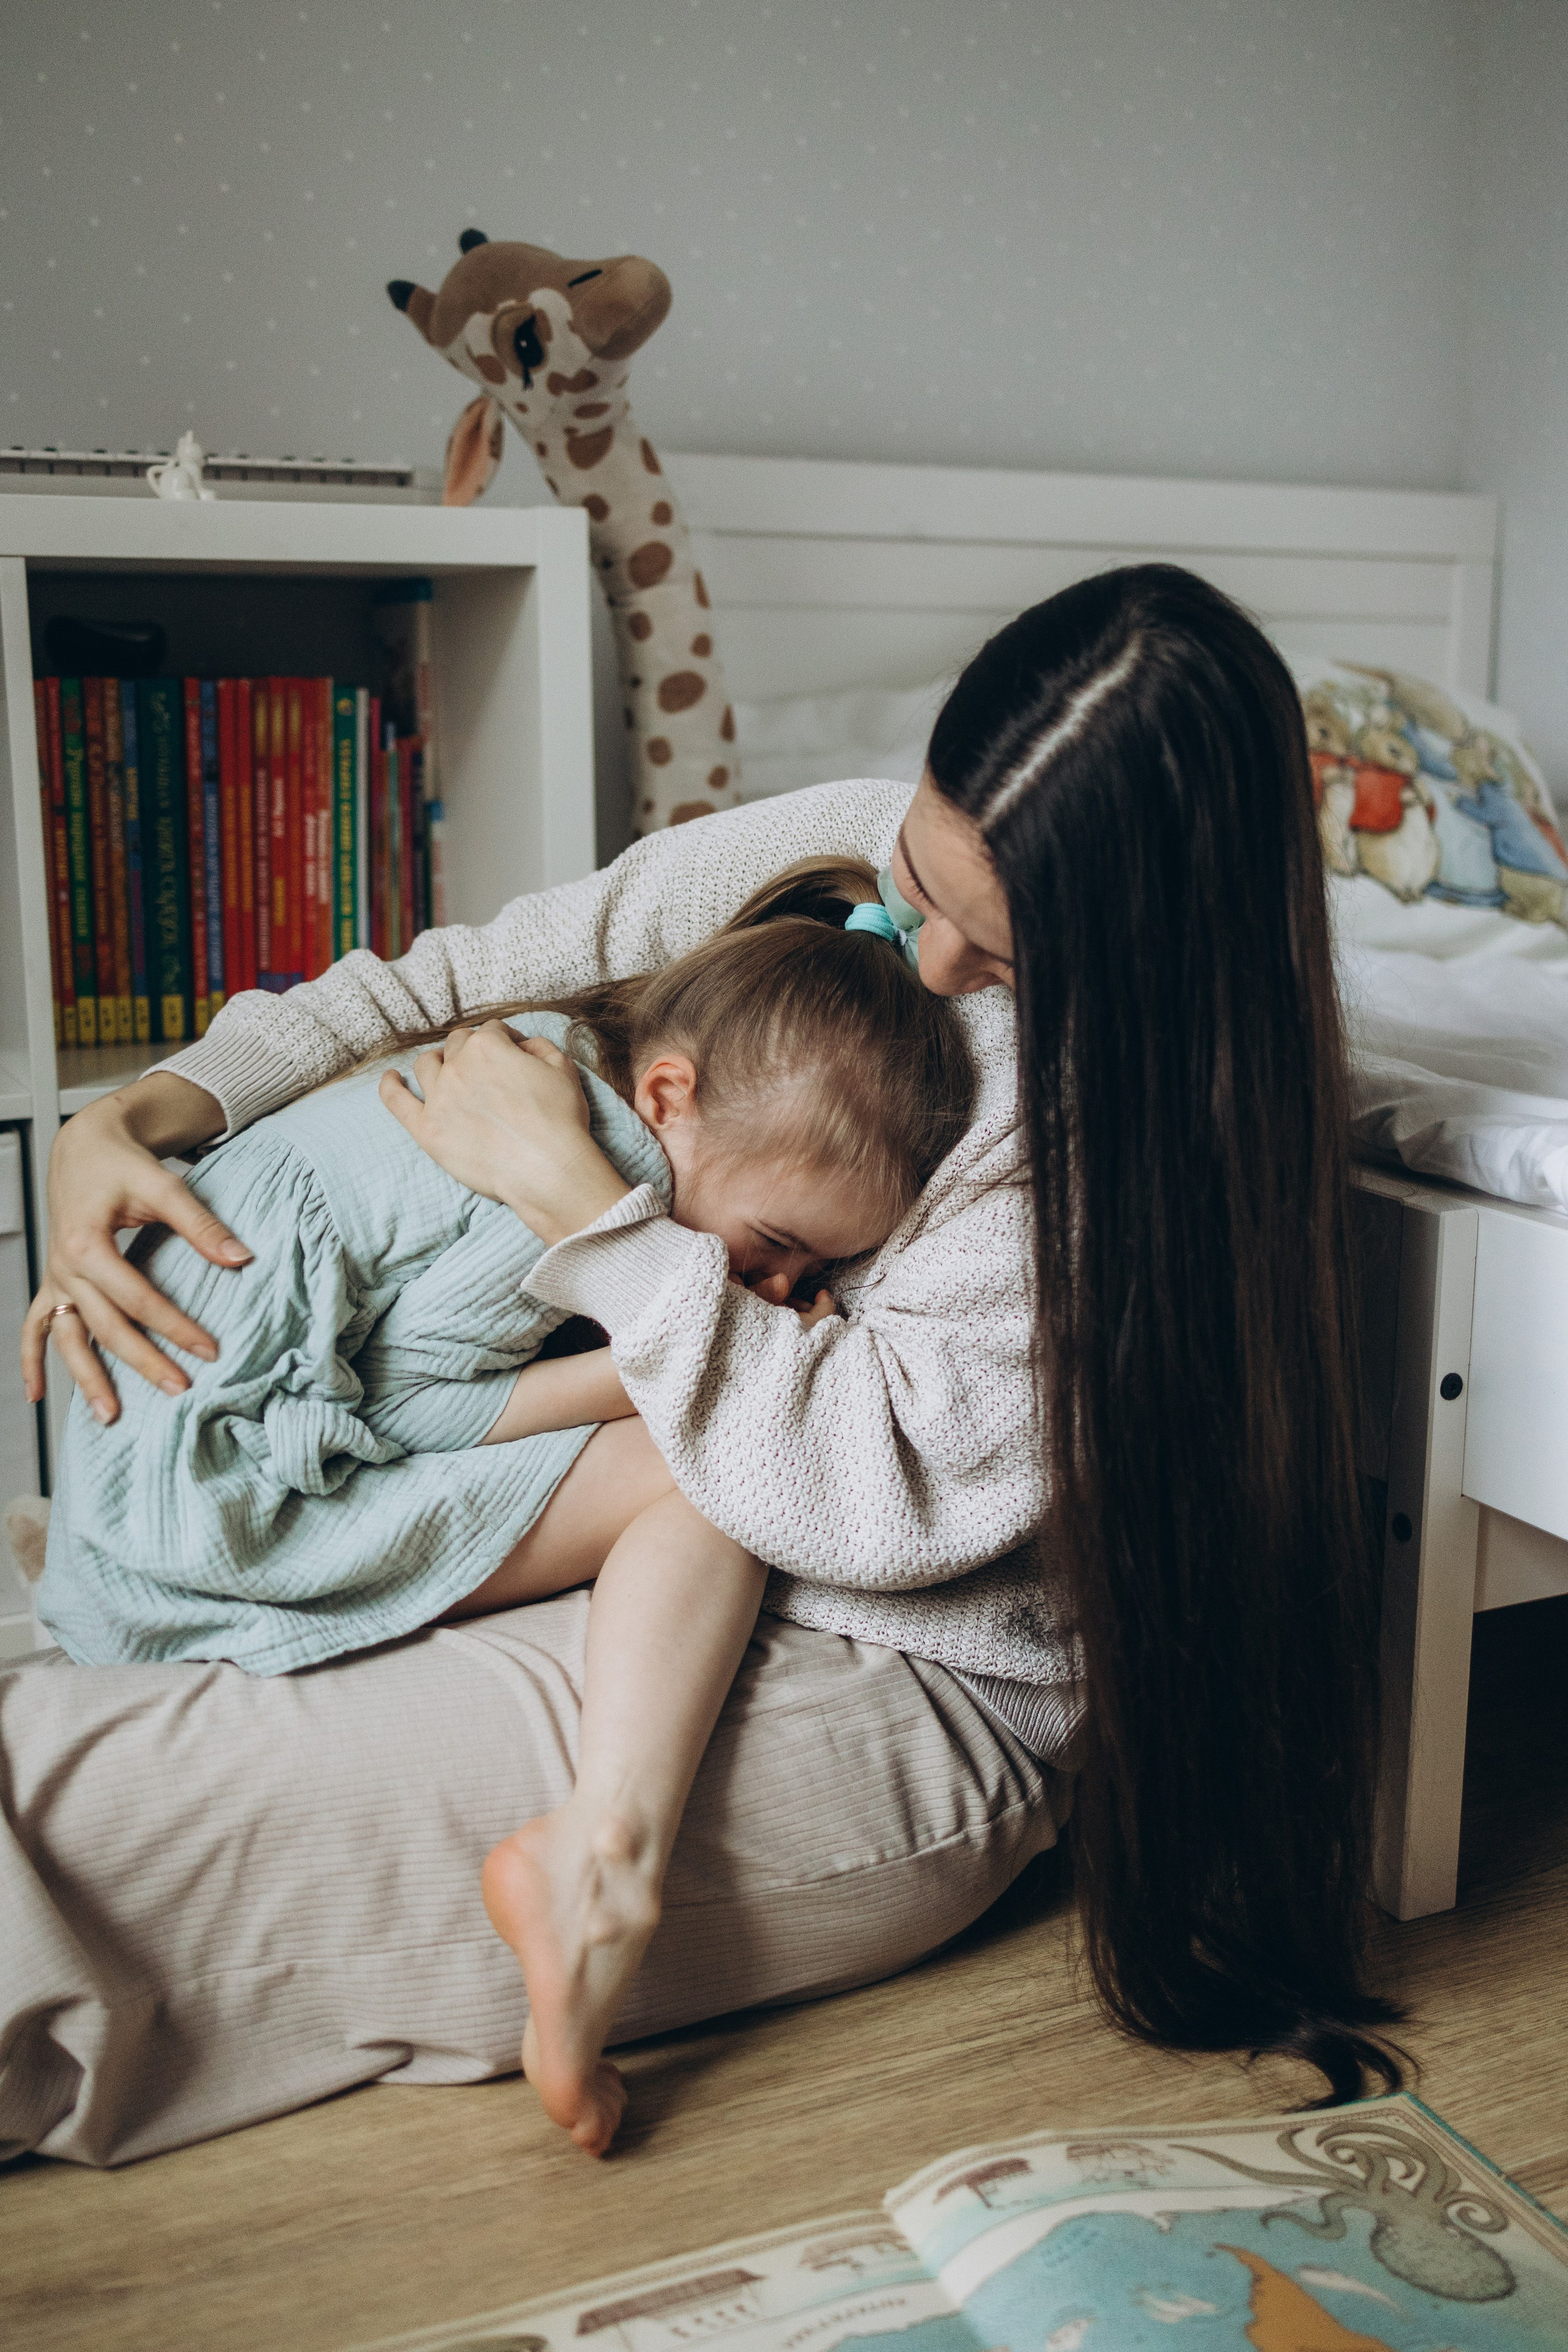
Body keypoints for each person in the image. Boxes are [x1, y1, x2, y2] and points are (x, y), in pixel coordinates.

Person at [8, 563, 1399, 2170]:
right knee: (95, 1691)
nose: (928, 960)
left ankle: (606, 1864)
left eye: (999, 953)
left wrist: (591, 1213)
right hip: (643, 1534)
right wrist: (134, 1119)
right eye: (923, 876)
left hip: (880, 1658)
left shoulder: (1130, 1139)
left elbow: (860, 1491)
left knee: (74, 1802)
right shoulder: (841, 856)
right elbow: (454, 981)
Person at [37, 858, 974, 2157]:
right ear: (668, 1099)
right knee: (706, 1461)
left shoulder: (549, 1071)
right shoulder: (555, 1164)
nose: (769, 1282)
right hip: (209, 1509)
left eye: (812, 1269)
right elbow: (411, 1419)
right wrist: (640, 1372)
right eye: (769, 1242)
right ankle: (602, 1862)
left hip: (134, 1482)